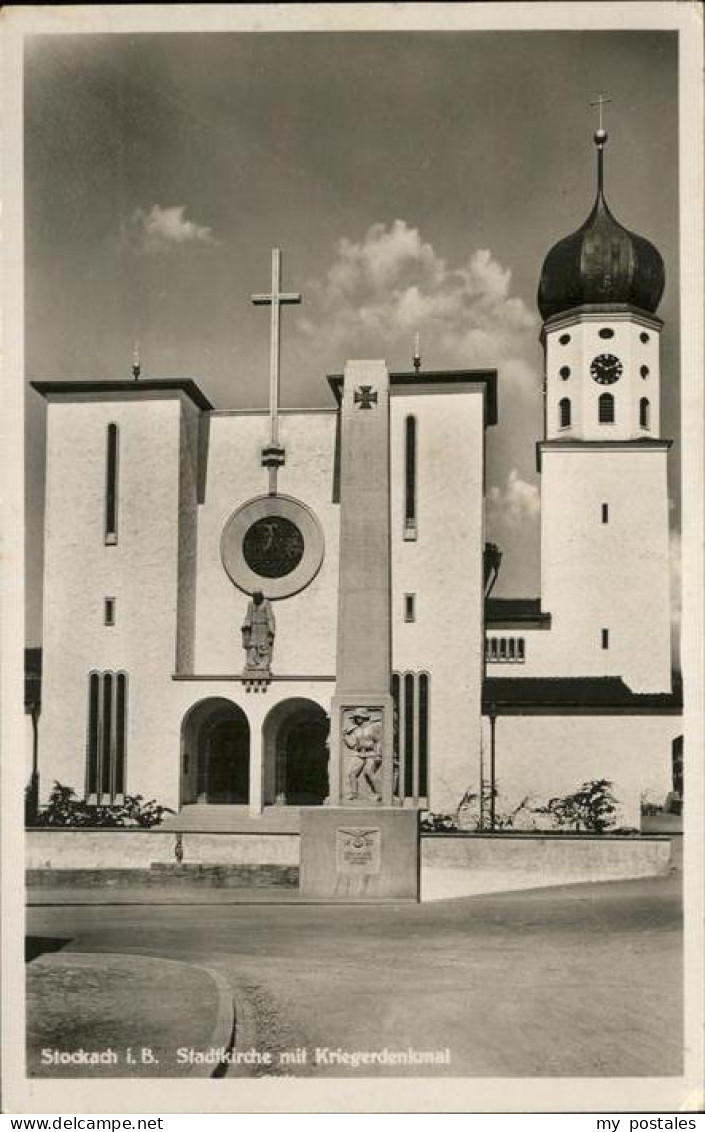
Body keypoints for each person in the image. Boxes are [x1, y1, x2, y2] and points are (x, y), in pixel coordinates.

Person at [344, 707, 382, 801]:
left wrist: (378, 754)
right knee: (351, 773)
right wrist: (344, 736)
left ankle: (380, 793)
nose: (357, 719)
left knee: (368, 771)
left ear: (364, 717)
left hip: (372, 753)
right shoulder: (356, 730)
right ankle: (353, 794)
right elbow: (352, 744)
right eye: (356, 717)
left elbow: (379, 741)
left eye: (358, 717)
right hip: (360, 753)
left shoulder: (372, 728)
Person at [241, 590, 276, 673]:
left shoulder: (266, 603)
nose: (256, 599)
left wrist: (271, 629)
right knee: (252, 645)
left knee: (263, 645)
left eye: (257, 597)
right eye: (254, 597)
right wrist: (246, 625)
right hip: (254, 628)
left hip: (263, 627)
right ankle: (251, 662)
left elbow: (270, 617)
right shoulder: (250, 604)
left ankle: (263, 662)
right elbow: (248, 616)